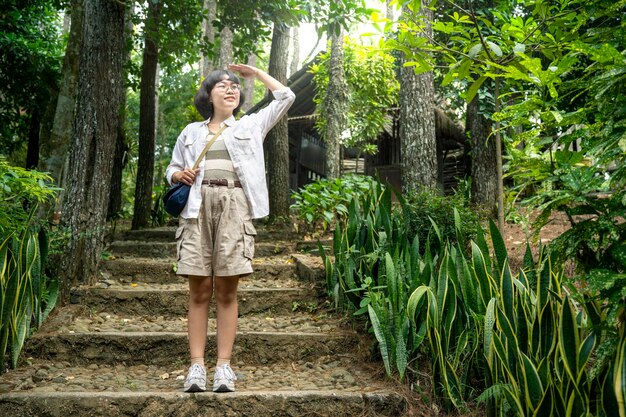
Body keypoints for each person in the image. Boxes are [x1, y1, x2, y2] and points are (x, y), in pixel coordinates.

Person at [165, 64, 295, 393]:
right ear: (208, 95)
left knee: (227, 292)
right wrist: (178, 176)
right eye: (222, 85)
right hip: (196, 208)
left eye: (235, 86)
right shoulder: (191, 132)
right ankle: (196, 367)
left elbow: (285, 96)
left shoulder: (251, 125)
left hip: (235, 205)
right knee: (198, 293)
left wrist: (255, 73)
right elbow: (173, 167)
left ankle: (223, 367)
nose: (231, 89)